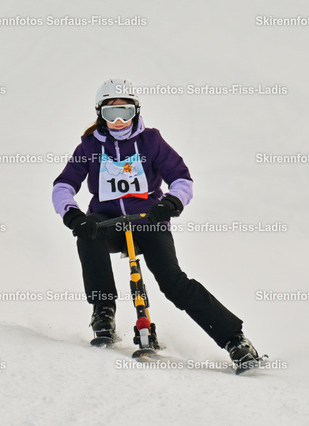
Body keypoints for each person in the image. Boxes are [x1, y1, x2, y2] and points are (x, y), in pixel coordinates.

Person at [51, 78, 260, 366]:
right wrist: (73, 215)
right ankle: (103, 310)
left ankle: (234, 340)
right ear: (100, 114)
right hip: (109, 221)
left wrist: (171, 203)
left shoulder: (151, 141)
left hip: (148, 220)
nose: (119, 121)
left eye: (125, 112)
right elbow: (63, 186)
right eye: (111, 113)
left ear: (136, 111)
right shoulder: (89, 146)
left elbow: (182, 179)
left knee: (173, 281)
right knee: (89, 235)